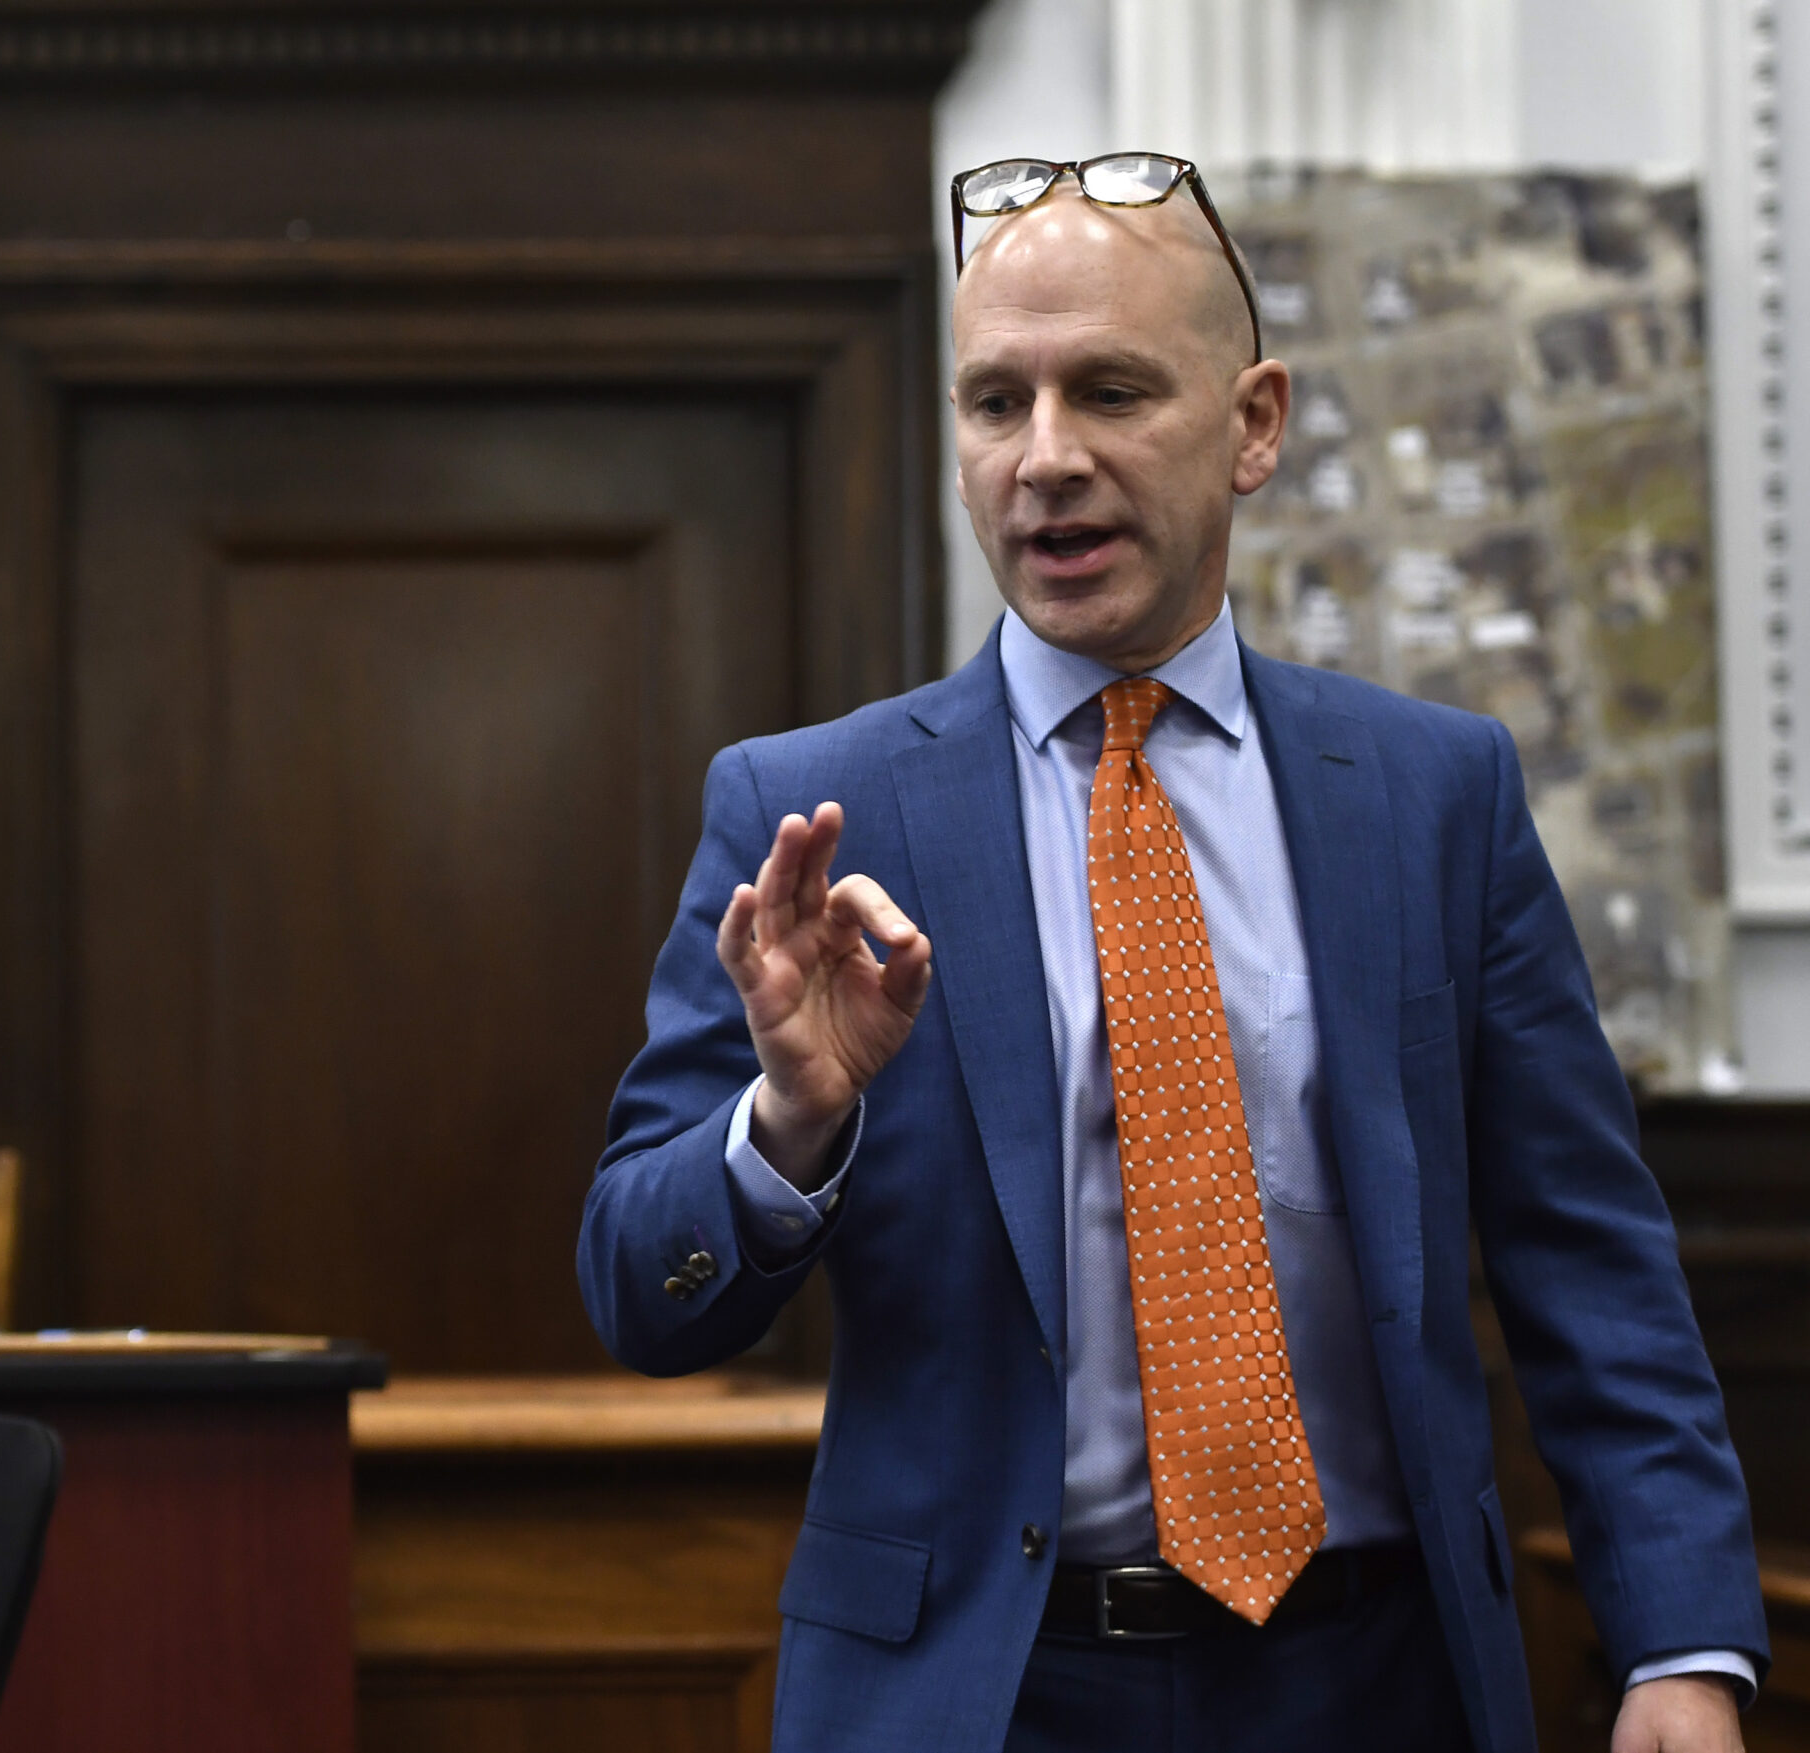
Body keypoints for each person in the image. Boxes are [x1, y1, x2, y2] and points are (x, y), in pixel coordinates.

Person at [578, 153, 1766, 1753]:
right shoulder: (809, 815)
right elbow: (640, 1295)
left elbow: (1590, 1261)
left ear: (1254, 422)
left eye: (1112, 391)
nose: (1046, 459)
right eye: (997, 404)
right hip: (985, 1698)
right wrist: (789, 1126)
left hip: (1377, 1683)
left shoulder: (1434, 796)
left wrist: (1684, 1643)